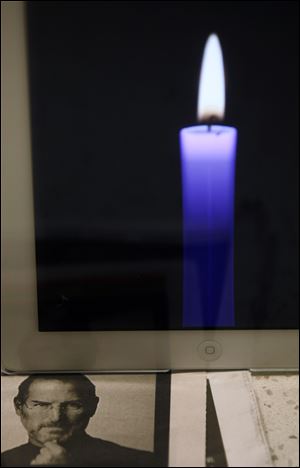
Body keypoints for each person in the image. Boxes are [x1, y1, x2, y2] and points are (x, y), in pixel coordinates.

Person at [1, 374, 156, 467]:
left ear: (92, 408)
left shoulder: (141, 461)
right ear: (19, 407)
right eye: (41, 405)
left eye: (73, 405)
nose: (56, 418)